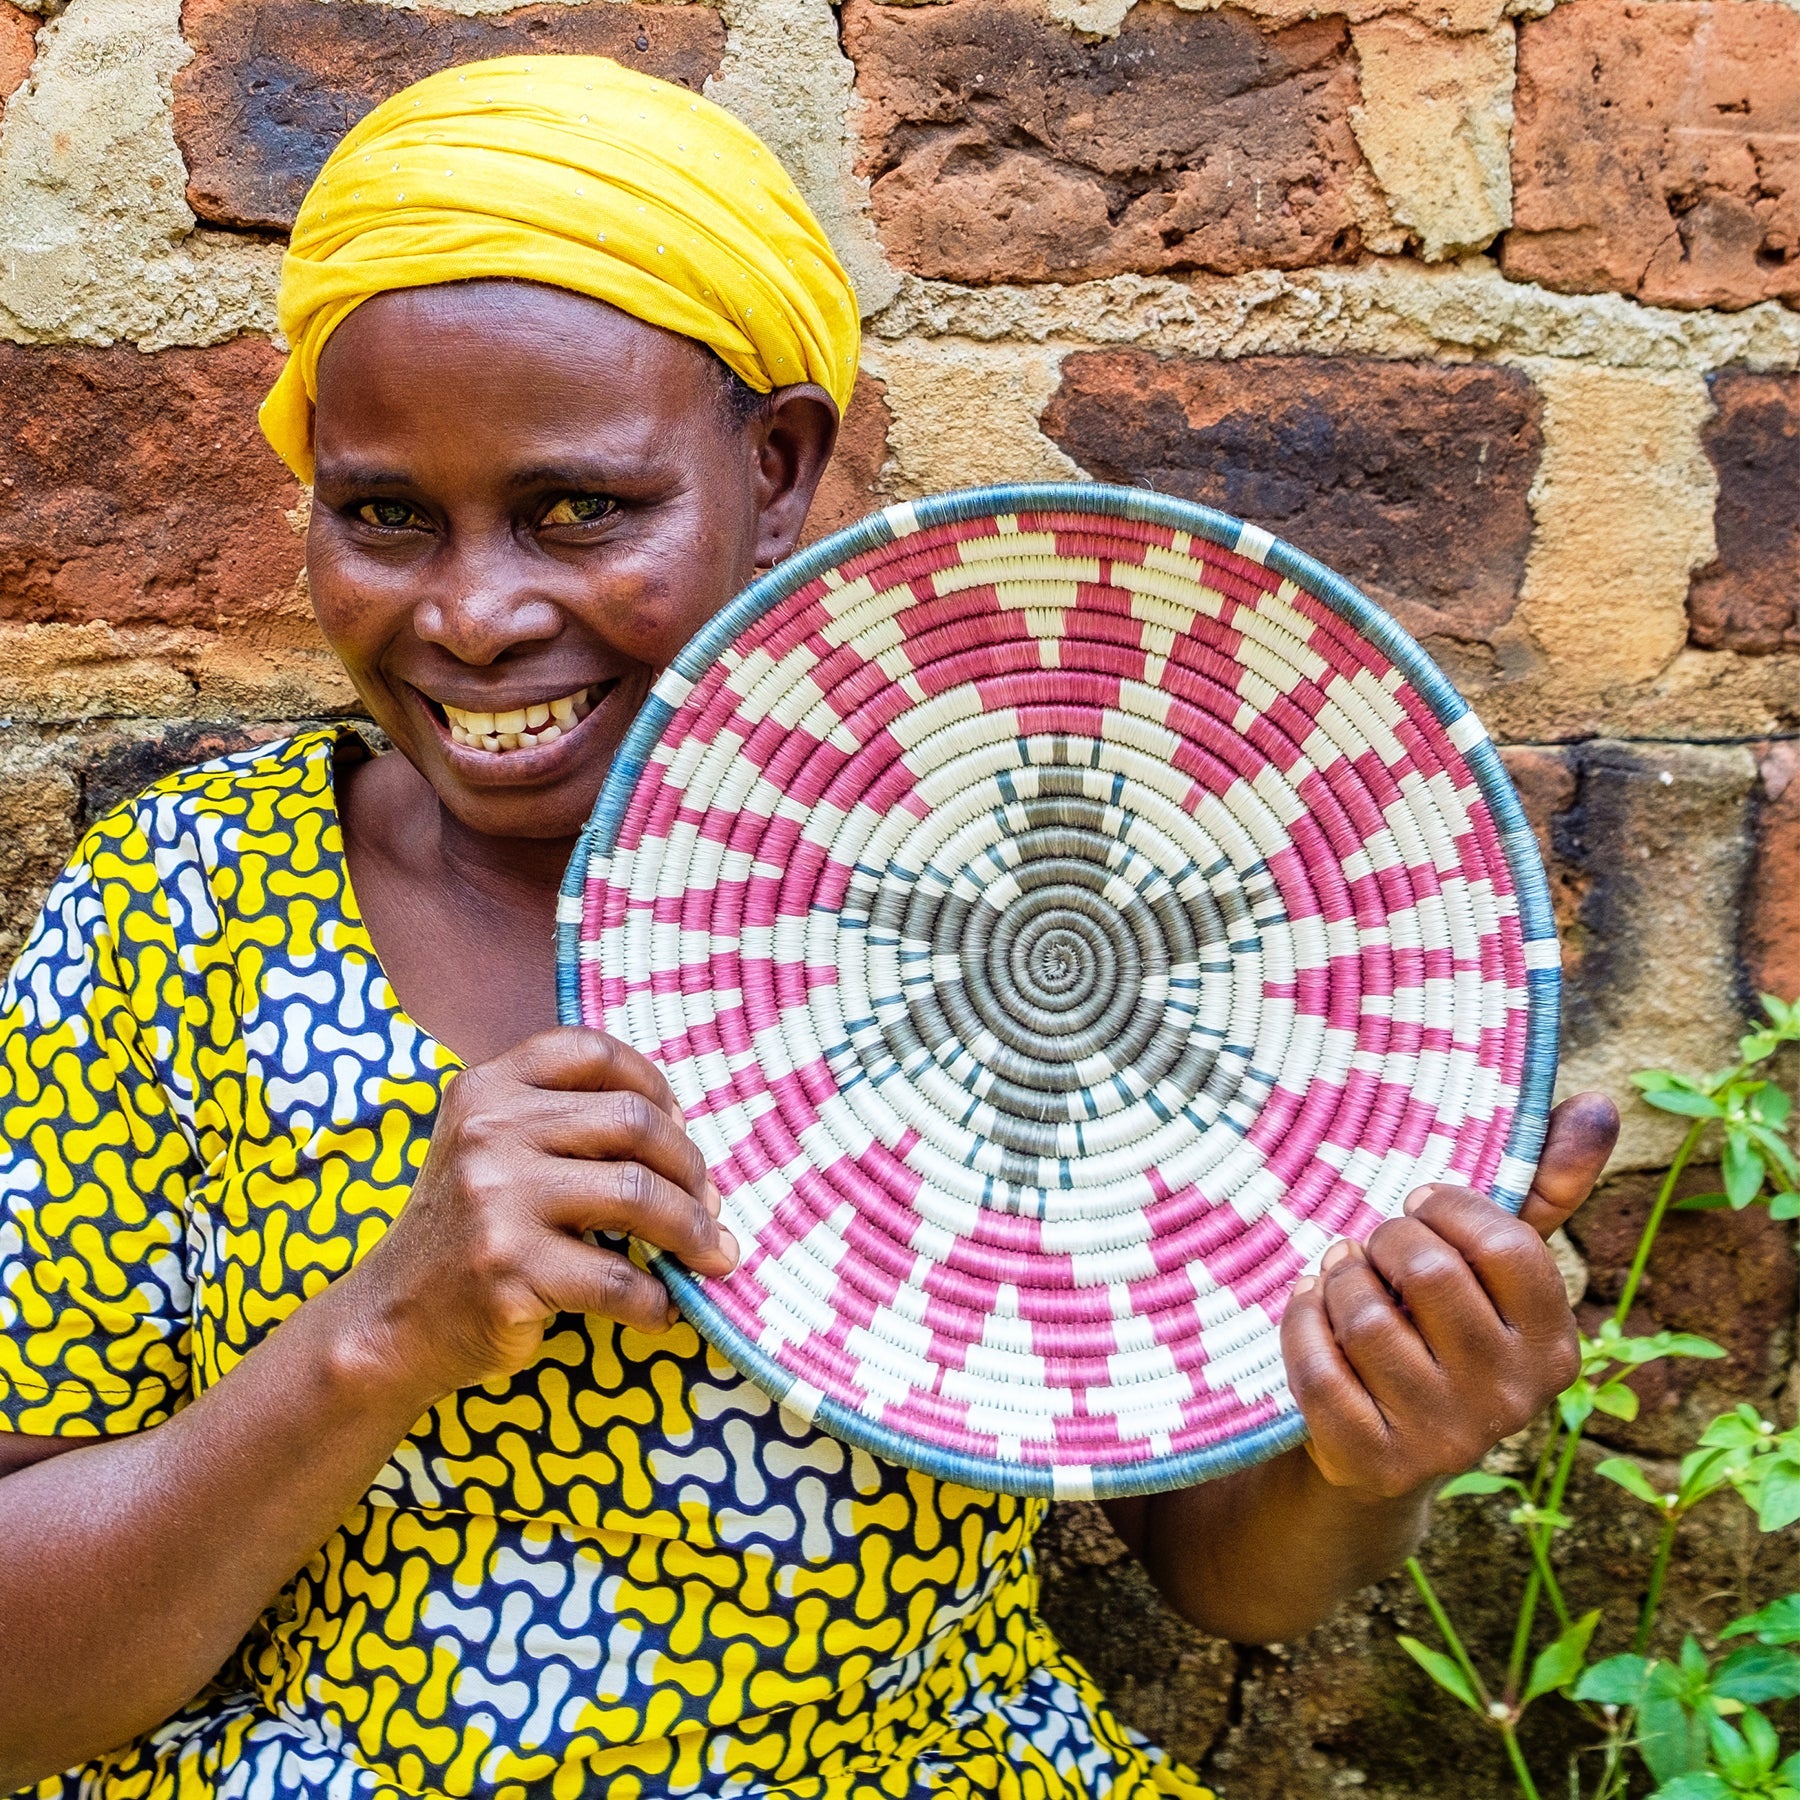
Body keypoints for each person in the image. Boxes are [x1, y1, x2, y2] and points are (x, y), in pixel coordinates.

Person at [0, 53, 1619, 1800]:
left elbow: (1225, 1574)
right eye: (386, 516)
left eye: (578, 510)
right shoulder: (184, 915)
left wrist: (1375, 1450)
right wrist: (382, 1330)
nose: (472, 616)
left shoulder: (1044, 902)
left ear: (777, 467)